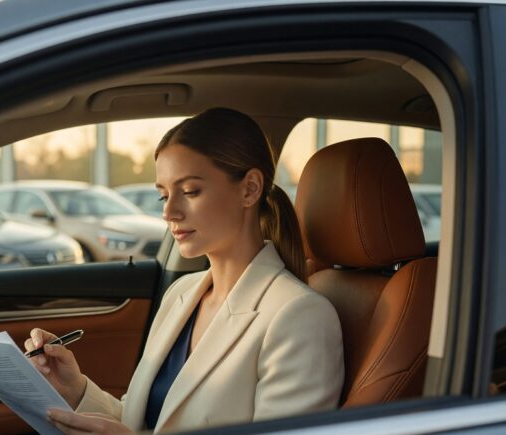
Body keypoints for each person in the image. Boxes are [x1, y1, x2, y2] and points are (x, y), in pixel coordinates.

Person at [24, 108, 344, 434]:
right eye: (163, 195)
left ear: (249, 189)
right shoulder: (181, 294)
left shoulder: (299, 316)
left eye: (190, 191)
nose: (169, 211)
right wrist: (74, 388)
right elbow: (146, 423)